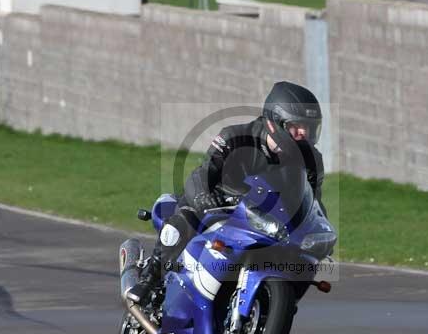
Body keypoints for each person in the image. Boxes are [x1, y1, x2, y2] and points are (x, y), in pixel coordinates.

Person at [126, 81, 325, 306]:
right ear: (275, 122)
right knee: (185, 219)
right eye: (297, 126)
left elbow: (313, 202)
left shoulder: (312, 160)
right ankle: (151, 277)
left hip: (265, 221)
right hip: (219, 206)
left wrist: (318, 231)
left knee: (300, 261)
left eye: (309, 127)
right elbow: (204, 173)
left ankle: (276, 306)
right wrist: (204, 198)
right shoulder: (235, 136)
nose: (304, 133)